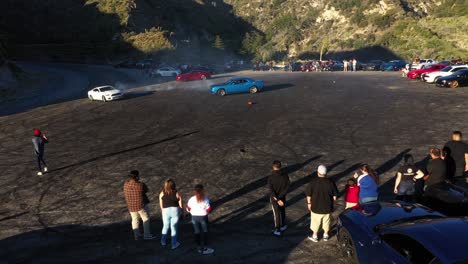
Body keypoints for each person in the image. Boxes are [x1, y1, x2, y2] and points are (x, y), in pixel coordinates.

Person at [306, 165, 338, 242]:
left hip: (316, 207)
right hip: (327, 207)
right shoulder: (330, 182)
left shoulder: (313, 182)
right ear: (326, 173)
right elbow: (334, 197)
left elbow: (308, 195)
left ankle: (315, 236)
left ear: (318, 172)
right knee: (326, 221)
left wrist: (309, 203)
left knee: (315, 222)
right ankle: (326, 235)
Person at [123, 170, 155, 240]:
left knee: (134, 220)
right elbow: (146, 190)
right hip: (140, 206)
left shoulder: (125, 184)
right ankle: (147, 235)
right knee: (145, 219)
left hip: (131, 206)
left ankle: (136, 235)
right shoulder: (141, 185)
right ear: (137, 177)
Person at [187, 184, 214, 255]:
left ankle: (198, 248)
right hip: (203, 217)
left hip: (194, 217)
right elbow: (208, 209)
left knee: (197, 232)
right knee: (205, 232)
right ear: (202, 190)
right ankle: (205, 248)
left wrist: (192, 212)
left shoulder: (191, 199)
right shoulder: (205, 199)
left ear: (195, 191)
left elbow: (188, 209)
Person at [268, 160, 290, 236]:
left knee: (276, 213)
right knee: (282, 210)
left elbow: (271, 191)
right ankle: (283, 225)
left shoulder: (271, 178)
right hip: (282, 197)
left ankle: (277, 229)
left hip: (275, 199)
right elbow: (287, 187)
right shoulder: (285, 176)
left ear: (273, 167)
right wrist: (280, 197)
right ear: (280, 166)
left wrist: (277, 199)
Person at [159, 179, 183, 249]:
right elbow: (180, 203)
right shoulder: (176, 192)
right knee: (174, 227)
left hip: (165, 211)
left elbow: (161, 204)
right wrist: (182, 211)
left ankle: (163, 241)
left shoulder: (162, 193)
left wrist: (162, 212)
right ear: (173, 185)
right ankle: (174, 244)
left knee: (165, 226)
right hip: (175, 211)